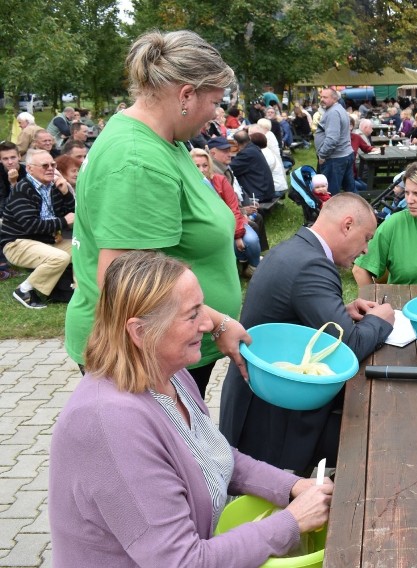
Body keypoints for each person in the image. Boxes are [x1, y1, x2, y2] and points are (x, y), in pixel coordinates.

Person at [50, 251, 333, 566]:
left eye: (203, 308)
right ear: (140, 332)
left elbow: (214, 456)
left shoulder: (170, 374)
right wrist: (291, 522)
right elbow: (182, 561)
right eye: (192, 314)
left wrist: (293, 486)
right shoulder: (111, 424)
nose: (208, 323)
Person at [65, 30, 249, 398]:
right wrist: (217, 323)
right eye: (214, 102)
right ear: (186, 95)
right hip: (143, 356)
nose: (216, 115)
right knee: (161, 452)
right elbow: (127, 287)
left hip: (169, 347)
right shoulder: (137, 161)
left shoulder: (167, 140)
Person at [219, 193, 394, 475]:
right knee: (373, 434)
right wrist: (380, 320)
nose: (365, 250)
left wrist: (342, 311)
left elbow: (295, 313)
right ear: (347, 225)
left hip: (255, 399)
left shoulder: (295, 248)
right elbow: (348, 345)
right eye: (366, 238)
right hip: (272, 415)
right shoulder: (313, 266)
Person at [1, 149, 75, 309]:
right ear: (29, 168)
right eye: (44, 165)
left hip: (45, 242)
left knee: (82, 249)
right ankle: (24, 290)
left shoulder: (53, 187)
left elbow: (72, 215)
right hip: (17, 243)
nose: (50, 168)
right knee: (60, 257)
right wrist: (63, 221)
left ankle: (78, 289)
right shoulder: (22, 189)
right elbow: (30, 225)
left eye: (52, 164)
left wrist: (66, 193)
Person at [190, 148, 261, 278]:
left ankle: (253, 267)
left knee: (251, 240)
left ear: (210, 165)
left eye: (205, 165)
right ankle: (239, 261)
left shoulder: (220, 180)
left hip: (232, 222)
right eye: (197, 166)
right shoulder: (189, 186)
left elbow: (233, 207)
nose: (202, 170)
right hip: (209, 228)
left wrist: (238, 234)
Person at [315, 88, 355, 195]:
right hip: (343, 155)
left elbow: (332, 139)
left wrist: (322, 155)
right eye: (321, 97)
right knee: (351, 191)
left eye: (325, 97)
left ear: (334, 98)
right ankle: (359, 210)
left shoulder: (333, 112)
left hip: (335, 158)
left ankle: (332, 211)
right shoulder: (338, 109)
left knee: (330, 193)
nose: (322, 99)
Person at [231, 129, 277, 203]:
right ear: (249, 138)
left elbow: (231, 169)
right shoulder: (253, 148)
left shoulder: (247, 153)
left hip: (259, 195)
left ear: (236, 142)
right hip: (265, 191)